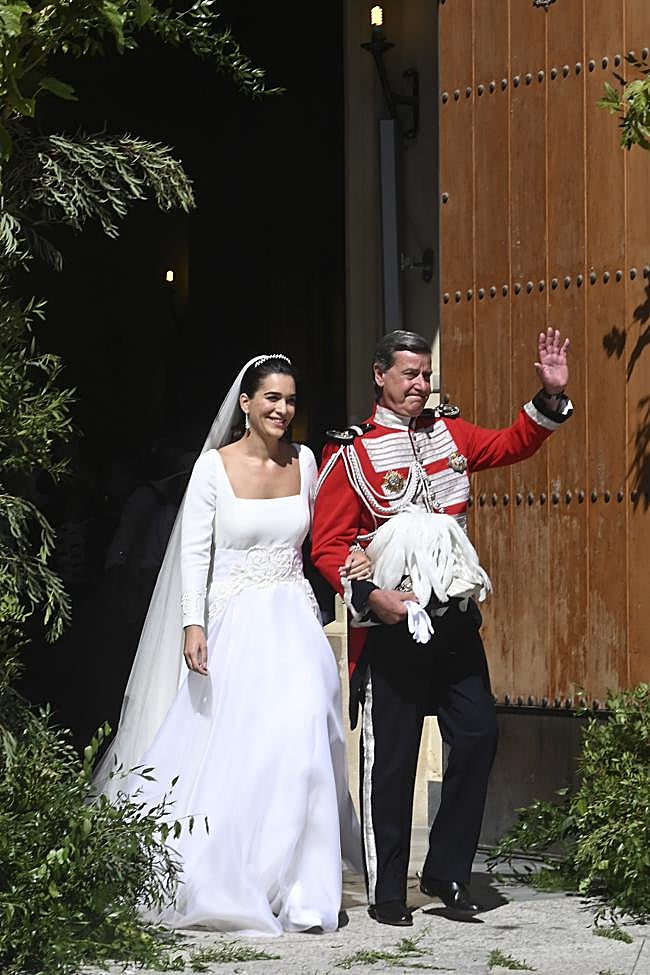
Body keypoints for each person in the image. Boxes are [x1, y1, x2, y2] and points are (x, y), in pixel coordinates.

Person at [94, 354, 367, 936]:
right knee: (241, 745)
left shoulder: (308, 461)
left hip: (293, 618)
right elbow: (194, 551)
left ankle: (305, 887)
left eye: (290, 399)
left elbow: (323, 536)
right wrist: (193, 624)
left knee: (305, 738)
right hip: (235, 621)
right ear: (246, 404)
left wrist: (359, 555)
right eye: (271, 398)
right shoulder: (212, 470)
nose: (282, 409)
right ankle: (232, 870)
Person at [311, 328, 571, 927]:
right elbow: (327, 545)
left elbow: (512, 443)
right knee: (394, 760)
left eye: (425, 375)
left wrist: (549, 396)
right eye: (409, 374)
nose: (420, 385)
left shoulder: (449, 433)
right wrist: (374, 597)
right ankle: (388, 893)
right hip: (391, 629)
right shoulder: (350, 453)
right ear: (380, 375)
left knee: (478, 735)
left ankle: (448, 871)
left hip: (453, 624)